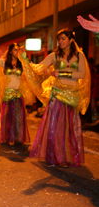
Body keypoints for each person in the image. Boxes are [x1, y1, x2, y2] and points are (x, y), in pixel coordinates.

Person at [19, 29, 90, 167]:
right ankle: (56, 156)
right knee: (55, 126)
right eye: (59, 39)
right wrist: (25, 58)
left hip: (72, 95)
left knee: (69, 128)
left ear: (71, 40)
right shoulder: (54, 55)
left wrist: (61, 73)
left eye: (63, 39)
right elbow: (38, 68)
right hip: (57, 94)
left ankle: (66, 156)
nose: (61, 42)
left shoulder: (79, 55)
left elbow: (82, 74)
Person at [0, 43, 35, 150]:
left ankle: (18, 138)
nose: (17, 52)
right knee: (7, 117)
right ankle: (7, 138)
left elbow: (31, 68)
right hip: (8, 93)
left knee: (18, 117)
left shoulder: (21, 63)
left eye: (17, 50)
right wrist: (4, 56)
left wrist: (24, 55)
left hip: (18, 92)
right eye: (15, 50)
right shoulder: (4, 62)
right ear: (11, 51)